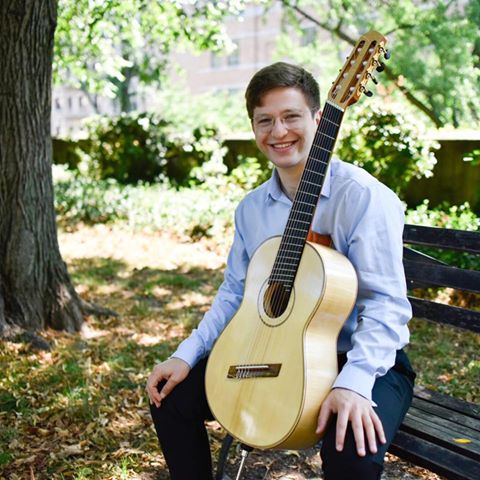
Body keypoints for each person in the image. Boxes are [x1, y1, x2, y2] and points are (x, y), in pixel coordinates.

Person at [146, 62, 415, 480]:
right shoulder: (252, 209)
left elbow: (386, 306)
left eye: (291, 116)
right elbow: (235, 294)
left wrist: (354, 382)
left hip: (363, 357)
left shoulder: (363, 198)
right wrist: (186, 354)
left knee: (352, 452)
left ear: (319, 120)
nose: (279, 131)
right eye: (265, 120)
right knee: (171, 398)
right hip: (273, 352)